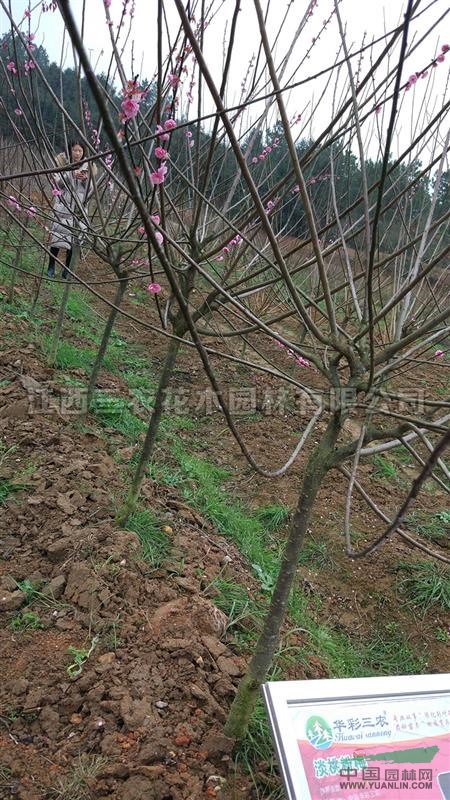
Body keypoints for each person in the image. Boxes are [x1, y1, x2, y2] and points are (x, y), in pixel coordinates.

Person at [47, 140, 95, 279]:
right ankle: (51, 266)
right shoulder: (61, 164)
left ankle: (66, 270)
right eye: (75, 150)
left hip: (78, 209)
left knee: (73, 241)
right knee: (57, 238)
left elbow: (91, 191)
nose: (77, 153)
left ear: (83, 153)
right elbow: (57, 184)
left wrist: (85, 180)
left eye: (80, 151)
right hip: (63, 206)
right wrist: (70, 175)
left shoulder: (89, 167)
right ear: (70, 150)